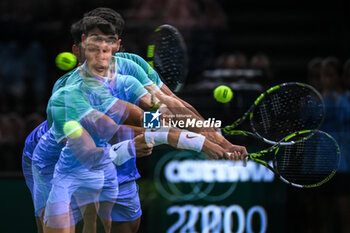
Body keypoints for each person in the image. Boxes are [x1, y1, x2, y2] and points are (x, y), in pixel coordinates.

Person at [28, 16, 247, 233]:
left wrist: (219, 140)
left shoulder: (130, 73)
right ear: (82, 47)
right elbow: (120, 129)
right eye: (95, 44)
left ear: (116, 46)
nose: (102, 51)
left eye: (108, 43)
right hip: (61, 161)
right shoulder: (69, 93)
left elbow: (170, 106)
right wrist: (193, 140)